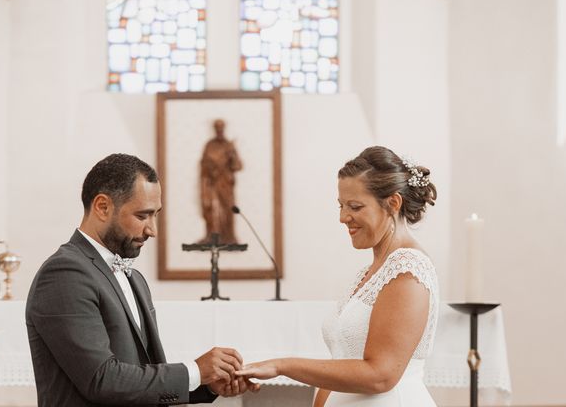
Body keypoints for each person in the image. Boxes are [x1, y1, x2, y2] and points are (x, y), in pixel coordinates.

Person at [26, 153, 258, 406]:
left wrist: (205, 384)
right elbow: (101, 380)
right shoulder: (64, 273)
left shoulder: (134, 277)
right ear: (102, 207)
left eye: (155, 214)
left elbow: (140, 375)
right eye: (142, 216)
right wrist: (194, 371)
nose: (152, 230)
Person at [237, 146, 440, 406]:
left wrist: (281, 366)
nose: (344, 217)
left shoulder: (408, 269)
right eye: (341, 205)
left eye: (355, 206)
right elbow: (342, 362)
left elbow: (381, 376)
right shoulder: (368, 274)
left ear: (393, 203)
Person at [199, 119, 243, 244]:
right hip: (211, 184)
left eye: (221, 128)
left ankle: (228, 237)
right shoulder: (209, 145)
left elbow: (238, 166)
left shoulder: (229, 145)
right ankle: (212, 236)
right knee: (212, 210)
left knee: (227, 211)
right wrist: (210, 170)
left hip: (226, 185)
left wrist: (232, 155)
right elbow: (203, 164)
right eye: (217, 128)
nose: (219, 130)